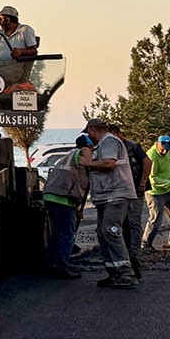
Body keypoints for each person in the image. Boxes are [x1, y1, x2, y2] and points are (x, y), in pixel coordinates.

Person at [81, 118, 137, 289]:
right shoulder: (101, 145)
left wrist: (88, 163)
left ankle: (126, 274)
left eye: (89, 132)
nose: (89, 136)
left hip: (116, 195)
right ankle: (114, 272)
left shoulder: (110, 141)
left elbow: (109, 163)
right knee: (102, 233)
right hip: (106, 196)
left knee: (110, 230)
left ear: (93, 130)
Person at [41, 134, 92, 278]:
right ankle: (62, 266)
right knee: (66, 234)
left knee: (57, 233)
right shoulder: (83, 152)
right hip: (63, 198)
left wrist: (77, 208)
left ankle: (51, 264)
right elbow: (88, 162)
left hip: (52, 196)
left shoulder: (69, 155)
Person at [109, 124, 149, 278]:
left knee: (133, 224)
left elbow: (147, 162)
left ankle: (134, 255)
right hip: (119, 192)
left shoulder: (132, 146)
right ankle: (125, 256)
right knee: (121, 225)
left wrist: (142, 183)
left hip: (133, 191)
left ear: (119, 134)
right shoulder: (113, 148)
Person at [142, 134, 170, 252]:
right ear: (157, 144)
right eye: (163, 148)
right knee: (155, 218)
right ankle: (146, 243)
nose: (165, 151)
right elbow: (153, 179)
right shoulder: (152, 156)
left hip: (166, 190)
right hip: (155, 192)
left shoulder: (167, 151)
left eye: (167, 149)